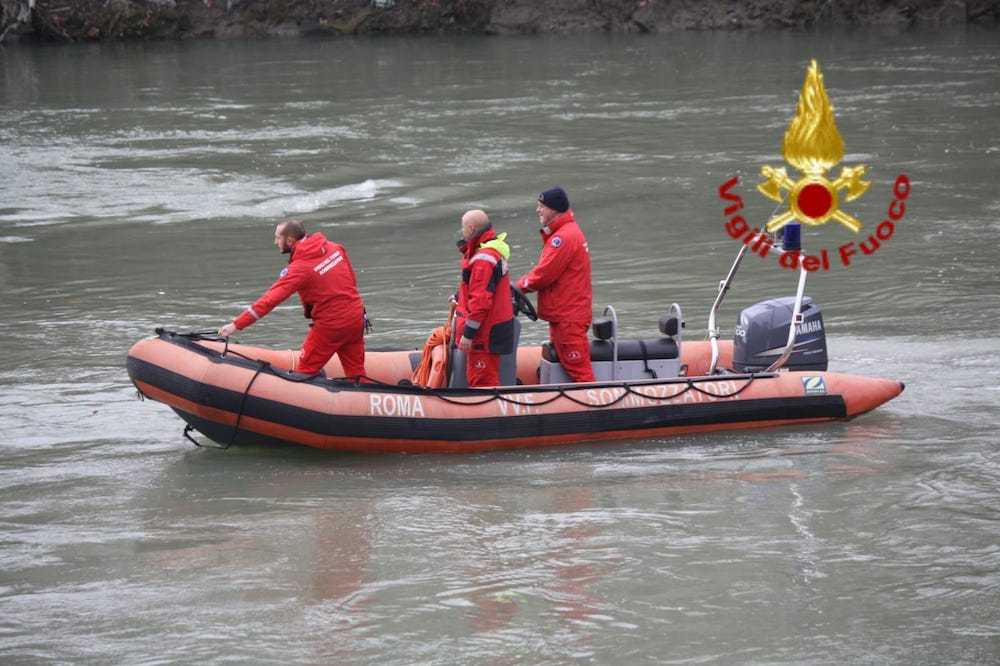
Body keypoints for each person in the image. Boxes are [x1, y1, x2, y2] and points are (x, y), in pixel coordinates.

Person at [218, 219, 367, 378]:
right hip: (356, 318)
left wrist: (236, 324)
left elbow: (270, 300)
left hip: (330, 326)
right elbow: (351, 280)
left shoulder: (299, 268)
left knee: (303, 373)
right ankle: (365, 399)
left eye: (277, 238)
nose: (275, 242)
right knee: (357, 374)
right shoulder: (335, 248)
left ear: (289, 240)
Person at [516, 186, 595, 383]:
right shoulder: (565, 233)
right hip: (565, 315)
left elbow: (543, 275)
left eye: (542, 206)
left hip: (568, 317)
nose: (538, 210)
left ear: (554, 209)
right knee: (570, 366)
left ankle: (598, 408)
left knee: (580, 373)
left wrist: (517, 287)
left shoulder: (563, 238)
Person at [454, 209, 515, 387]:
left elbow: (481, 302)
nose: (462, 233)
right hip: (491, 328)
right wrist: (458, 297)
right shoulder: (490, 252)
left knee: (482, 381)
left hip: (484, 334)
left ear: (471, 229)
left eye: (463, 228)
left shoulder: (483, 259)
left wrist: (468, 334)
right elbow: (478, 289)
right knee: (483, 377)